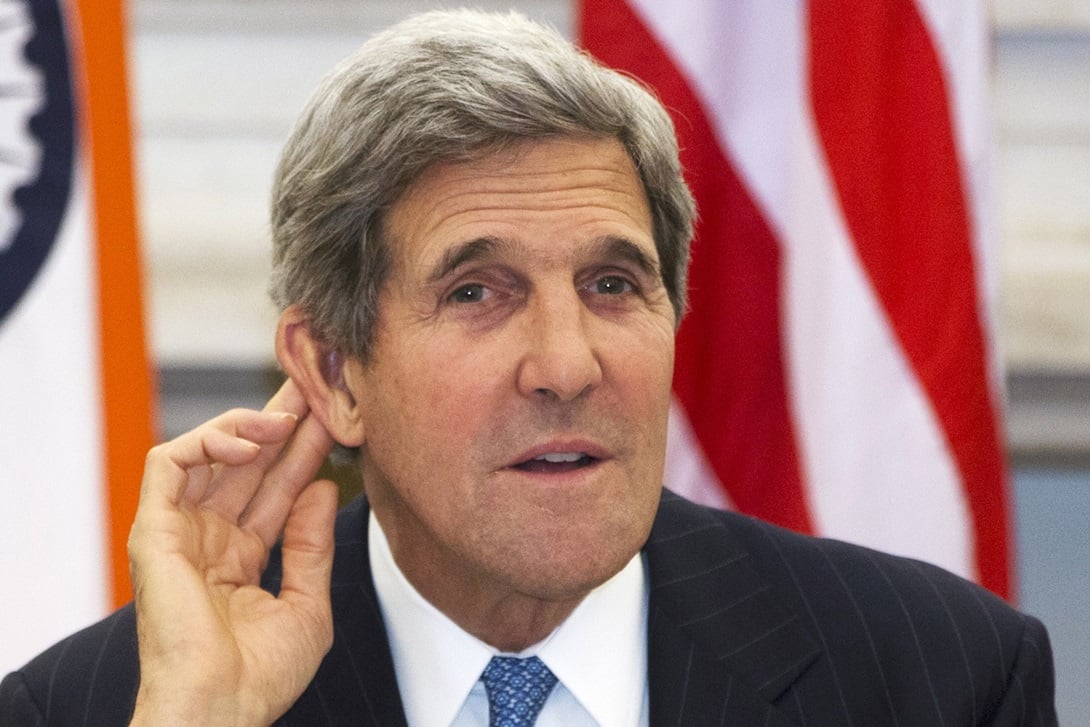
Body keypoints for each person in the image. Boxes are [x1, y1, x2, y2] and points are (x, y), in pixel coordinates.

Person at [0, 8, 1056, 726]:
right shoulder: (102, 706)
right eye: (476, 292)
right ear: (333, 370)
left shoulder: (937, 678)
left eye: (611, 285)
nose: (566, 364)